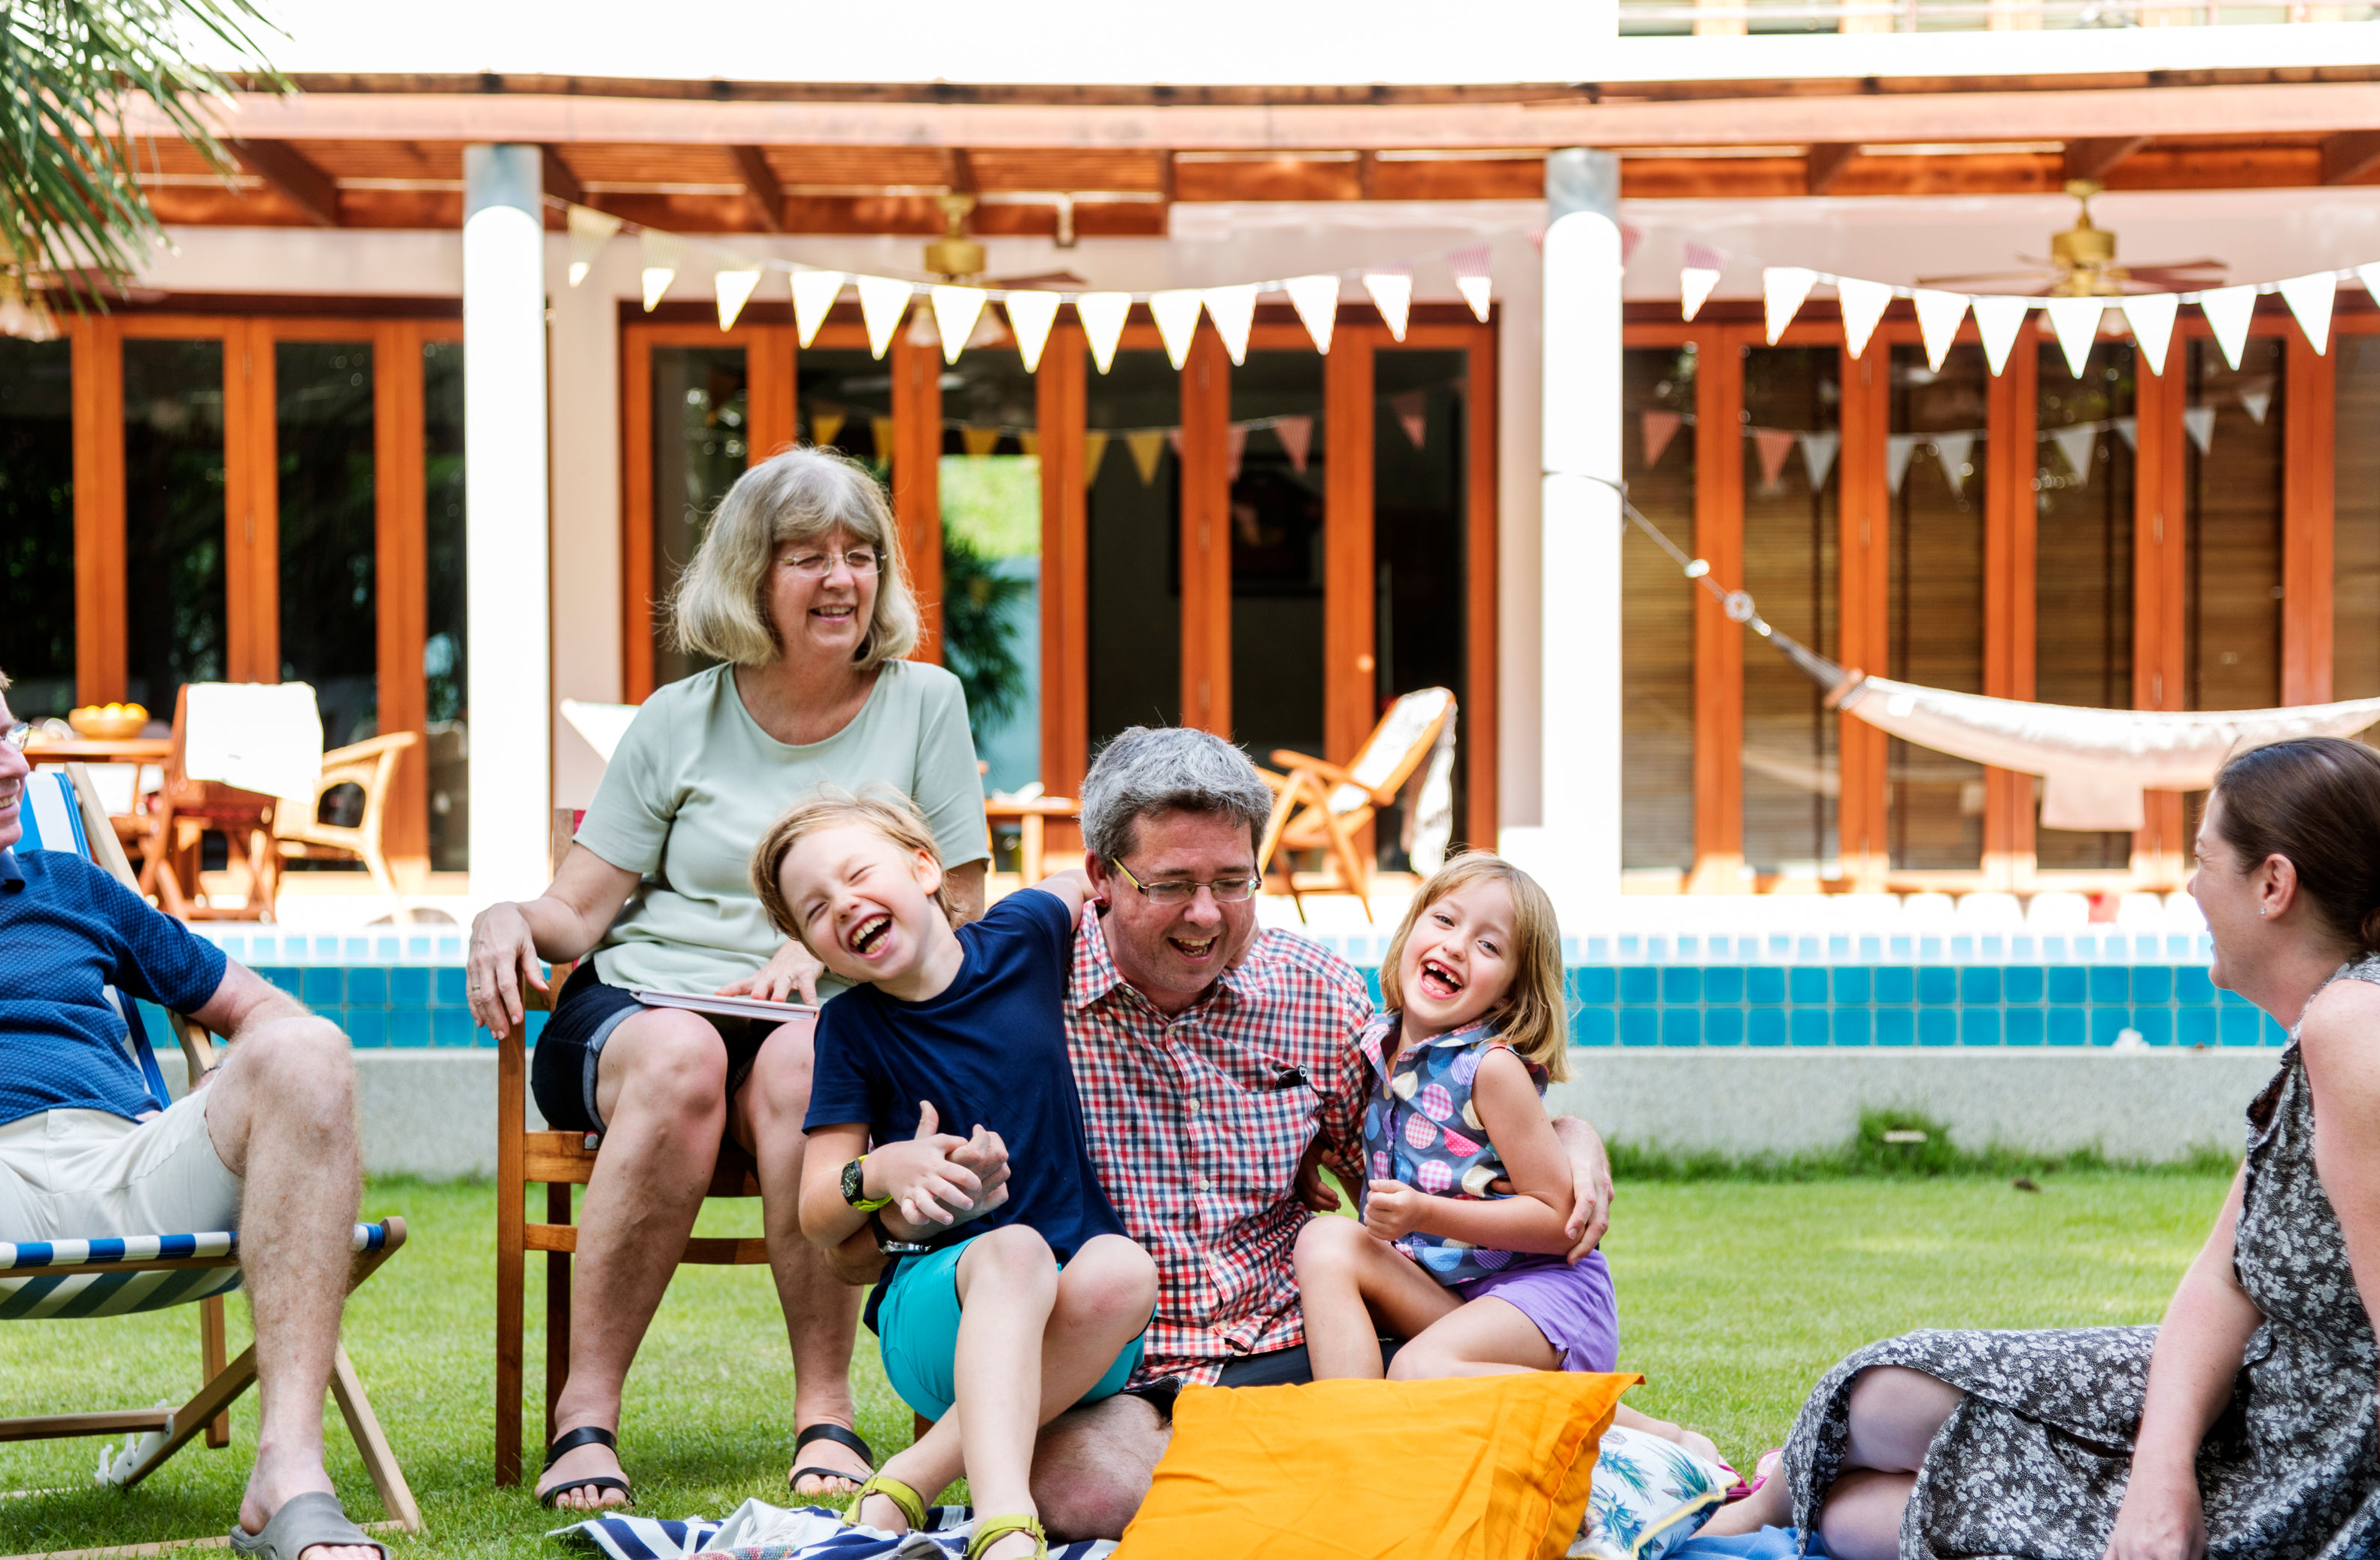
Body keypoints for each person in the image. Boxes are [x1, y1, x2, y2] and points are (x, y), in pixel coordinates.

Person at [1709, 737, 2380, 1560]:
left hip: (2359, 1485)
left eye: (2204, 860)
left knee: (1854, 1517)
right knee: (1880, 1398)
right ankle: (1760, 1499)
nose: (2188, 888)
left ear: (2273, 884)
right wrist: (2157, 1473)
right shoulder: (2364, 1014)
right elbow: (2225, 1274)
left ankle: (1762, 1505)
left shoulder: (2363, 1030)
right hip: (2277, 1409)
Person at [848, 725, 1619, 1540]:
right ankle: (1315, 1476)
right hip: (1123, 1367)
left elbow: (1432, 1144)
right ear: (1102, 877)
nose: (1206, 915)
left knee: (1422, 1408)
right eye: (1173, 883)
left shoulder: (1317, 993)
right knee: (1080, 1492)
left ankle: (1311, 1466)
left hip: (1293, 1341)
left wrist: (1571, 1134)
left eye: (1232, 881)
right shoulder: (1020, 998)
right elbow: (868, 1248)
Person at [0, 632, 381, 1560]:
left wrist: (225, 1100)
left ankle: (288, 1475)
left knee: (309, 1047)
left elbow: (264, 1013)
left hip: (137, 1163)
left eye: (11, 736)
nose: (15, 766)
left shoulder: (71, 885)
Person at [463, 448, 990, 1510]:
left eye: (860, 556)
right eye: (806, 558)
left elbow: (965, 899)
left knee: (808, 1061)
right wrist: (504, 915)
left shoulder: (924, 702)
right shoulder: (677, 718)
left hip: (827, 1018)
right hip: (646, 1011)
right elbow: (577, 912)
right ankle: (586, 1417)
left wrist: (831, 938)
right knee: (681, 1054)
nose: (841, 579)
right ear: (751, 577)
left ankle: (826, 1410)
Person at [756, 791, 1155, 1559]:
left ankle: (910, 1477)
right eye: (815, 909)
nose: (844, 905)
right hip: (938, 1314)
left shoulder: (1025, 935)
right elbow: (816, 1213)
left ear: (925, 866)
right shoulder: (851, 1027)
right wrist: (883, 1169)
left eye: (857, 874)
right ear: (814, 946)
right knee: (1013, 1250)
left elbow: (1079, 884)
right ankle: (1005, 1524)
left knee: (1126, 1265)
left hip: (1080, 1333)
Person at [1293, 852, 1723, 1460]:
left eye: (1489, 946)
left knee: (1419, 1370)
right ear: (1411, 928)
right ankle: (1352, 1450)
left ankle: (1662, 1439)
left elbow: (1557, 1222)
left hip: (1540, 1297)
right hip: (1459, 1296)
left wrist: (1423, 1215)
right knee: (1324, 1242)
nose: (1458, 946)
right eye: (1444, 920)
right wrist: (1308, 1149)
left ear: (1513, 990)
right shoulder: (1377, 1044)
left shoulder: (1489, 1070)